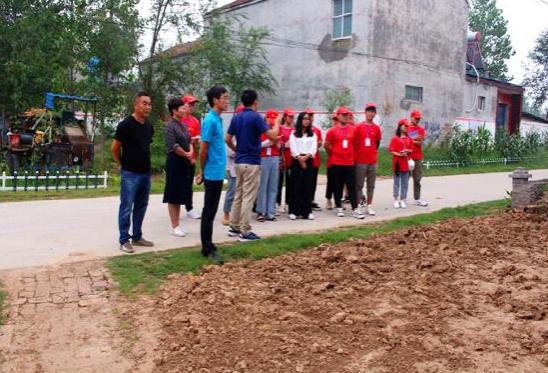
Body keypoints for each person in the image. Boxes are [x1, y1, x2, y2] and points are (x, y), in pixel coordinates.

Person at [225, 90, 280, 242]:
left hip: (239, 162)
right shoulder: (255, 117)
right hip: (252, 162)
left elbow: (227, 138)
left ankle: (234, 226)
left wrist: (236, 150)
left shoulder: (237, 117)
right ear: (255, 101)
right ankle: (245, 230)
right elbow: (273, 136)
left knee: (239, 195)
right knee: (249, 196)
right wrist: (276, 123)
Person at [112, 92, 154, 253]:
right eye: (144, 103)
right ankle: (124, 240)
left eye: (149, 104)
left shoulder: (149, 126)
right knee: (126, 206)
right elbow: (115, 148)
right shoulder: (125, 125)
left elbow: (145, 147)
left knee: (141, 206)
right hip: (130, 174)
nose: (147, 107)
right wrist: (122, 164)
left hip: (145, 173)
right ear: (135, 105)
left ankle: (137, 236)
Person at [196, 86, 229, 264]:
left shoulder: (217, 119)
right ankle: (206, 248)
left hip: (217, 171)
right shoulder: (210, 120)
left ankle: (209, 243)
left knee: (212, 210)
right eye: (224, 97)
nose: (227, 100)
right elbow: (203, 149)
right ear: (215, 100)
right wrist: (202, 170)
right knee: (208, 211)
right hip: (211, 172)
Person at [324, 106, 364, 219]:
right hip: (336, 163)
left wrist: (351, 154)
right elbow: (326, 145)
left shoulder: (353, 129)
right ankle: (339, 207)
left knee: (351, 186)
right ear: (338, 116)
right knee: (338, 186)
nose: (346, 117)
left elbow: (356, 143)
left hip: (349, 163)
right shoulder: (332, 131)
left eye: (347, 115)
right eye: (343, 115)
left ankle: (355, 208)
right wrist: (333, 154)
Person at [162, 98, 194, 237]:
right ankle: (174, 226)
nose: (184, 109)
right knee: (173, 194)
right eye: (181, 108)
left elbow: (190, 140)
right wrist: (185, 154)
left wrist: (191, 151)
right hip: (175, 161)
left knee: (180, 194)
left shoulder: (183, 125)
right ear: (174, 110)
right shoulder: (170, 125)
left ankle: (178, 225)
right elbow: (172, 145)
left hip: (184, 162)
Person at [353, 102, 382, 216]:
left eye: (372, 111)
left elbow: (377, 143)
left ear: (375, 113)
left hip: (372, 161)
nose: (370, 113)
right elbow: (354, 142)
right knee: (359, 185)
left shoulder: (376, 128)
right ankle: (359, 205)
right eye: (368, 111)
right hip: (360, 161)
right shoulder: (359, 127)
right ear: (365, 112)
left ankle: (369, 206)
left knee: (371, 185)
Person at [288, 112, 317, 220]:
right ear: (300, 120)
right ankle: (294, 211)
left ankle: (307, 211)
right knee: (295, 186)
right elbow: (293, 148)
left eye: (308, 119)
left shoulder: (313, 134)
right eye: (304, 119)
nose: (306, 121)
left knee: (307, 185)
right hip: (296, 160)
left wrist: (307, 157)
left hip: (308, 160)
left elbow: (313, 148)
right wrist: (300, 159)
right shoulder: (294, 133)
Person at [222, 105, 245, 225]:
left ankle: (238, 214)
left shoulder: (245, 131)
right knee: (232, 191)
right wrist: (241, 151)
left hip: (243, 167)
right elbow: (230, 151)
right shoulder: (233, 131)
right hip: (233, 167)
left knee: (241, 192)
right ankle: (226, 213)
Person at [256, 109, 281, 221]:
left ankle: (270, 212)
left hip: (274, 157)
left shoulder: (277, 130)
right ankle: (261, 211)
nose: (271, 120)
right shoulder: (261, 130)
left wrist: (276, 142)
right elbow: (256, 145)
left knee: (273, 186)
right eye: (270, 117)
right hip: (263, 158)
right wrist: (266, 143)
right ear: (266, 118)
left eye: (274, 118)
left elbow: (280, 147)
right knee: (263, 185)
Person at [180, 94, 202, 219]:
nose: (192, 107)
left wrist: (195, 157)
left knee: (189, 184)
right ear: (183, 104)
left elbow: (197, 140)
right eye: (190, 104)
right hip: (179, 156)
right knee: (178, 183)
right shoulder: (179, 119)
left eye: (194, 104)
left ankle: (189, 207)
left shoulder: (195, 121)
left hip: (190, 156)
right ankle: (176, 206)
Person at [388, 119, 414, 208]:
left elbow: (411, 149)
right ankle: (396, 199)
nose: (407, 128)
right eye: (405, 126)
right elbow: (391, 150)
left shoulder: (409, 139)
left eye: (407, 126)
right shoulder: (395, 138)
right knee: (396, 182)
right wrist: (399, 154)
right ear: (400, 127)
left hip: (406, 163)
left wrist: (406, 151)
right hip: (397, 163)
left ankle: (403, 199)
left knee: (405, 183)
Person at [408, 110, 429, 206]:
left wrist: (410, 139)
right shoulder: (406, 127)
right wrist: (413, 139)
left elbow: (419, 142)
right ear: (411, 117)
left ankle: (417, 198)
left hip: (417, 157)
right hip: (407, 156)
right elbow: (404, 140)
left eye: (418, 118)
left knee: (417, 179)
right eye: (416, 118)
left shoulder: (421, 129)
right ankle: (401, 199)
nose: (417, 120)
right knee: (404, 178)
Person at [276, 108, 295, 215]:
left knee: (290, 182)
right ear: (285, 117)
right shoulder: (280, 128)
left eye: (292, 117)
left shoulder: (294, 130)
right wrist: (284, 145)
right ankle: (278, 203)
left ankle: (288, 203)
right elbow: (277, 142)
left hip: (291, 158)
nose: (291, 119)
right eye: (289, 116)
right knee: (279, 182)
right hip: (281, 158)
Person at [305, 107, 323, 212]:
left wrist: (318, 143)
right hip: (305, 159)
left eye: (311, 116)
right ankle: (304, 200)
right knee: (305, 182)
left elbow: (319, 143)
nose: (310, 118)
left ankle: (311, 200)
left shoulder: (317, 130)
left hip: (314, 160)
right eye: (308, 116)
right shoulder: (301, 130)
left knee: (313, 182)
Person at [324, 111, 338, 210]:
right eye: (334, 120)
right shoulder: (331, 131)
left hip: (341, 160)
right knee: (331, 181)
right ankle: (329, 199)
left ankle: (338, 199)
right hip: (332, 160)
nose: (335, 122)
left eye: (336, 119)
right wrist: (331, 153)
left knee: (339, 181)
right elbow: (326, 145)